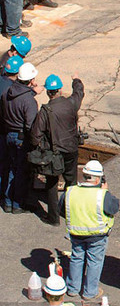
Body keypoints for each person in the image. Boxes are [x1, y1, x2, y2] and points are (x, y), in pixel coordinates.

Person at [31, 73, 85, 225]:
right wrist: (76, 79)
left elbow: (36, 135)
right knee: (71, 182)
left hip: (55, 153)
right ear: (60, 90)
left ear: (48, 92)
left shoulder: (45, 111)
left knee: (52, 183)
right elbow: (79, 91)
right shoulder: (72, 103)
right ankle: (71, 214)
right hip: (72, 150)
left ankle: (53, 218)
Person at [61, 160, 119, 299]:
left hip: (76, 233)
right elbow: (113, 208)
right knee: (94, 262)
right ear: (98, 178)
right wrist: (106, 191)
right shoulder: (102, 195)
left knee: (76, 258)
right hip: (97, 235)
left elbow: (61, 209)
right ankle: (90, 291)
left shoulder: (71, 191)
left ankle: (73, 289)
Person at [1, 61, 39, 214]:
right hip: (21, 139)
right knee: (22, 171)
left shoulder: (8, 92)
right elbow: (31, 125)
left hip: (8, 135)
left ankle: (8, 201)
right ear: (30, 81)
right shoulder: (28, 100)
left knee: (11, 169)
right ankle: (18, 204)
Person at [0, 55, 23, 213]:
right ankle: (8, 199)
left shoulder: (2, 80)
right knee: (8, 166)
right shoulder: (9, 90)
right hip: (5, 131)